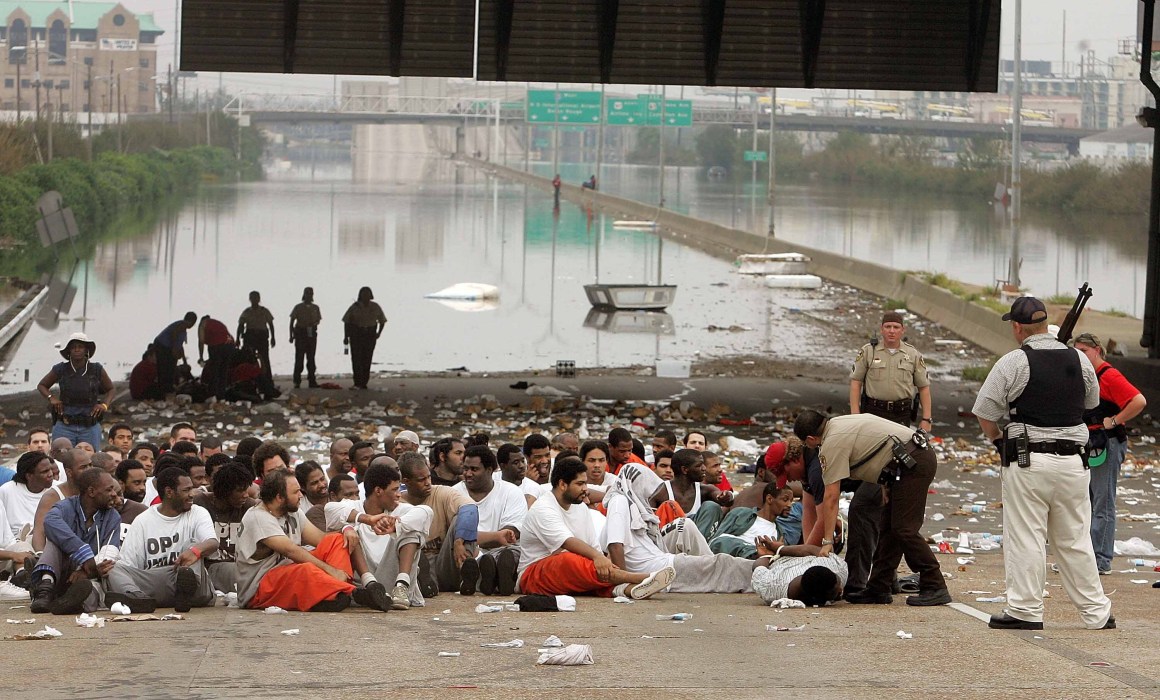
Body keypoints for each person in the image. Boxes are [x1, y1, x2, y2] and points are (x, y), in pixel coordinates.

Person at [972, 297, 1114, 630]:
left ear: (1017, 327)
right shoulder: (1079, 358)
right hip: (1074, 463)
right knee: (1075, 539)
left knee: (1026, 536)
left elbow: (985, 411)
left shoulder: (1013, 362)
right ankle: (1097, 613)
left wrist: (997, 441)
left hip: (1028, 460)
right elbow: (1091, 400)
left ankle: (1025, 610)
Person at [793, 409, 950, 607]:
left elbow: (831, 497)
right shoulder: (841, 423)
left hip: (913, 463)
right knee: (889, 527)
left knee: (904, 528)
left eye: (806, 444)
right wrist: (886, 484)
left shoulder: (831, 443)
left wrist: (827, 542)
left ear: (810, 438)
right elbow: (881, 444)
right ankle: (879, 587)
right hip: (905, 463)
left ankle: (935, 584)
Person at [845, 310, 932, 599]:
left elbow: (923, 387)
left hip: (900, 421)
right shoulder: (869, 352)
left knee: (888, 503)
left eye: (896, 327)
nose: (891, 331)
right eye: (887, 327)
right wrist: (855, 416)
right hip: (873, 417)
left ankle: (882, 579)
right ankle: (870, 580)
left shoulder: (912, 355)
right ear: (881, 329)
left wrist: (926, 421)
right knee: (872, 500)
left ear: (903, 330)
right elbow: (856, 382)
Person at [517, 456, 674, 599]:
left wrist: (603, 560)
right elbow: (567, 542)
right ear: (562, 485)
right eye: (580, 484)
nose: (586, 489)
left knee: (598, 569)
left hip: (575, 574)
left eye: (585, 483)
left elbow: (593, 547)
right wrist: (598, 558)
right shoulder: (543, 508)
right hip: (533, 576)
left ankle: (629, 589)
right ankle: (639, 578)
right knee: (568, 560)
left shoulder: (580, 507)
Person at [234, 470, 387, 612]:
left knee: (338, 541)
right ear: (279, 497)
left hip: (289, 575)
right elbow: (292, 551)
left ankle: (335, 594)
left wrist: (346, 529)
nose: (301, 495)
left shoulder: (292, 511)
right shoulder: (258, 517)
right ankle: (350, 592)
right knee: (304, 569)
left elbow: (322, 539)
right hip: (259, 589)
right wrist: (331, 571)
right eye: (296, 492)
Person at [602, 462, 757, 593]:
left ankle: (762, 574)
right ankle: (764, 577)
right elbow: (614, 545)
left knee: (717, 567)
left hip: (661, 562)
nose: (648, 494)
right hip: (660, 566)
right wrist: (622, 579)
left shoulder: (631, 506)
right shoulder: (619, 502)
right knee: (719, 566)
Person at [1072, 332, 1147, 575]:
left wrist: (1114, 420)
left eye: (1084, 351)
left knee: (1103, 503)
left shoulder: (1109, 375)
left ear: (1097, 350)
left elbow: (1138, 401)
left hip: (1108, 443)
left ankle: (1101, 560)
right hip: (1090, 442)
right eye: (1077, 351)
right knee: (1087, 502)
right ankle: (1086, 557)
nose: (1080, 355)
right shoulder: (1085, 375)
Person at [107, 467, 219, 613]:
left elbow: (212, 542)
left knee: (192, 544)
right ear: (169, 492)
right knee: (114, 568)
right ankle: (137, 598)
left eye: (192, 489)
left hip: (192, 582)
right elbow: (129, 565)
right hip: (158, 582)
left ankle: (184, 595)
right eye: (186, 490)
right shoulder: (143, 520)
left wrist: (195, 551)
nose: (192, 495)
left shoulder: (198, 513)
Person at [324, 462, 431, 611]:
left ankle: (402, 586)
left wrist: (396, 526)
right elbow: (330, 509)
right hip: (365, 582)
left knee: (411, 530)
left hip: (392, 580)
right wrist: (365, 520)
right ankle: (371, 585)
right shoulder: (353, 506)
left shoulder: (399, 510)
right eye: (394, 490)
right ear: (378, 490)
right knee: (347, 529)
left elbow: (426, 512)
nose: (399, 494)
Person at [29, 467, 120, 615]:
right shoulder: (66, 507)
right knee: (55, 541)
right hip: (63, 570)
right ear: (91, 492)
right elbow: (50, 521)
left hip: (92, 576)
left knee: (90, 589)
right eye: (109, 490)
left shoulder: (112, 516)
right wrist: (82, 553)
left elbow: (109, 552)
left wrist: (87, 571)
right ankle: (45, 588)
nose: (114, 494)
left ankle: (69, 603)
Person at [398, 452, 479, 597]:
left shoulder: (442, 492)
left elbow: (470, 510)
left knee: (460, 518)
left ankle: (465, 577)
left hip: (446, 561)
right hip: (417, 563)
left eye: (429, 476)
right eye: (421, 479)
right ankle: (425, 585)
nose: (428, 482)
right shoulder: (397, 503)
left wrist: (459, 540)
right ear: (406, 481)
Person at [452, 446, 526, 596]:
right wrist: (489, 538)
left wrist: (480, 539)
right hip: (468, 553)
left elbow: (510, 534)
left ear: (490, 470)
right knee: (466, 550)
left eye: (474, 469)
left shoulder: (511, 492)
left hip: (502, 550)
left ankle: (489, 579)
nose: (467, 474)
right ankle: (490, 580)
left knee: (510, 554)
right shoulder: (453, 493)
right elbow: (454, 535)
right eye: (465, 469)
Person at [36, 333, 115, 449]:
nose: (77, 350)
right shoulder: (61, 369)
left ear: (86, 350)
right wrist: (51, 398)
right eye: (73, 347)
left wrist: (104, 405)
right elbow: (42, 385)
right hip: (65, 425)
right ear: (69, 351)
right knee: (61, 458)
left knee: (89, 459)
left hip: (90, 426)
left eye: (80, 347)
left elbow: (111, 389)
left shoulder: (96, 369)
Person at [193, 462, 257, 594]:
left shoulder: (248, 507)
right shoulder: (200, 504)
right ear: (225, 491)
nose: (245, 495)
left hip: (242, 565)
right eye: (240, 490)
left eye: (246, 489)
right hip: (210, 566)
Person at [648, 448, 733, 537]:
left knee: (713, 507)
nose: (704, 468)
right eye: (699, 465)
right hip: (672, 542)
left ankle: (699, 545)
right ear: (685, 470)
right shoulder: (662, 493)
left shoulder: (704, 489)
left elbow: (724, 499)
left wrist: (727, 496)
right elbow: (649, 525)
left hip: (698, 540)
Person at [708, 484, 795, 558]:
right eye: (785, 500)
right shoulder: (741, 514)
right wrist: (753, 551)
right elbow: (715, 542)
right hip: (728, 559)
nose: (790, 505)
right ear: (769, 499)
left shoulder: (780, 534)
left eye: (791, 501)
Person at [750, 543, 849, 608]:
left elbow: (758, 567)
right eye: (835, 590)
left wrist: (776, 551)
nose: (841, 589)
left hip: (777, 558)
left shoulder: (771, 588)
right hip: (779, 560)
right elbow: (811, 550)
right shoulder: (838, 568)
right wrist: (774, 553)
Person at [0, 451, 56, 544]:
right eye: (45, 471)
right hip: (16, 544)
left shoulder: (57, 489)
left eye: (50, 469)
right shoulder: (6, 490)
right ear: (29, 476)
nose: (50, 474)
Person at [341, 286, 387, 390]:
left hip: (370, 334)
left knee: (367, 358)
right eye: (363, 294)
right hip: (357, 334)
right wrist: (345, 336)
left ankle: (364, 382)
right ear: (360, 295)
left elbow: (382, 321)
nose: (365, 296)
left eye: (367, 294)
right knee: (356, 359)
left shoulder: (375, 307)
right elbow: (347, 322)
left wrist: (379, 333)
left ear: (370, 295)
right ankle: (357, 382)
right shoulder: (355, 307)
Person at [237, 290, 277, 386]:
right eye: (252, 298)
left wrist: (273, 337)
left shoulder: (264, 311)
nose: (254, 300)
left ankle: (268, 381)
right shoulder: (246, 312)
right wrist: (237, 338)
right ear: (250, 299)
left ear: (259, 299)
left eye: (256, 297)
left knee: (264, 358)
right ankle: (250, 380)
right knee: (249, 359)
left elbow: (271, 324)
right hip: (250, 336)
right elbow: (241, 325)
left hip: (262, 336)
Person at [153, 312, 198, 395]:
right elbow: (174, 334)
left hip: (166, 346)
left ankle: (168, 388)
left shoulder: (183, 330)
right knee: (166, 368)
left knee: (171, 366)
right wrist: (173, 349)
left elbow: (180, 346)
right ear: (192, 322)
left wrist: (184, 361)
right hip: (162, 345)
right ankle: (164, 390)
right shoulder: (182, 324)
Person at [289, 287, 322, 389]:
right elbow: (292, 322)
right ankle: (297, 380)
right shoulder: (298, 307)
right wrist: (291, 335)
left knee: (311, 358)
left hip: (311, 333)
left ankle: (312, 380)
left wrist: (313, 324)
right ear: (304, 294)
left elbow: (318, 320)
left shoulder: (315, 307)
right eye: (307, 293)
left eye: (311, 293)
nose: (309, 295)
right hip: (300, 333)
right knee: (299, 358)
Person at [197, 315, 235, 398]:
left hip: (217, 345)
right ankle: (221, 395)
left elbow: (201, 341)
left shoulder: (203, 323)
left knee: (215, 371)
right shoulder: (218, 323)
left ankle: (212, 394)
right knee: (223, 372)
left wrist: (201, 357)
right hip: (230, 345)